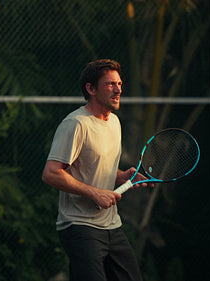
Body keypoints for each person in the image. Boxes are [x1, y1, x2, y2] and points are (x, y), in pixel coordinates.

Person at [42, 59, 152, 281]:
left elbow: (93, 167)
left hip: (112, 225)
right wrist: (94, 193)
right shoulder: (76, 124)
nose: (118, 89)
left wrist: (122, 176)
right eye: (110, 84)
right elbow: (51, 173)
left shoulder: (114, 123)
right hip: (79, 226)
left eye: (119, 83)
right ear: (91, 89)